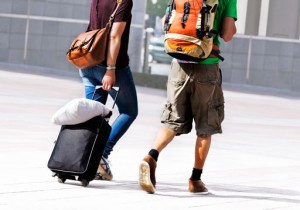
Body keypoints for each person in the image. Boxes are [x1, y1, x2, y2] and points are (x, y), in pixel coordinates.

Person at [139, 0, 237, 194]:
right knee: (205, 125)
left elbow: (165, 21)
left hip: (179, 62)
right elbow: (227, 34)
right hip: (206, 64)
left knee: (172, 119)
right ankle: (195, 180)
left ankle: (151, 157)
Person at [79, 0, 138, 181]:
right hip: (111, 67)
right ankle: (101, 155)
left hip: (88, 62)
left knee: (94, 116)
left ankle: (86, 161)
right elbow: (114, 36)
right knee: (129, 111)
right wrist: (110, 69)